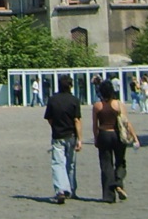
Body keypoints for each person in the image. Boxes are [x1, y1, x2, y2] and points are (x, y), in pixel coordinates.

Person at [91, 82, 139, 203]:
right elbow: (126, 123)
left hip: (104, 134)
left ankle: (108, 195)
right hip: (117, 134)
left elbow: (95, 125)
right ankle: (118, 183)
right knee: (120, 161)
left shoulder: (97, 106)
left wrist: (96, 138)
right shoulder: (119, 105)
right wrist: (135, 137)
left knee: (106, 164)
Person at [44, 76, 81, 204]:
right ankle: (71, 190)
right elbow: (77, 120)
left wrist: (55, 127)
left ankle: (60, 190)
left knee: (58, 163)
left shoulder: (53, 100)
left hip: (58, 135)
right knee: (70, 164)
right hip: (71, 135)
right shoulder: (74, 100)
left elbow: (49, 119)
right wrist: (80, 139)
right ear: (70, 86)